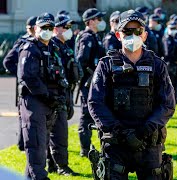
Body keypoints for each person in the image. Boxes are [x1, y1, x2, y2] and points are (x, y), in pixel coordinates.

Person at [87, 9, 175, 179]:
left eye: (137, 31)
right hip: (116, 143)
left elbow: (167, 104)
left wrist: (144, 131)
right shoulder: (106, 65)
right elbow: (95, 103)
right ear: (118, 35)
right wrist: (120, 132)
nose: (132, 35)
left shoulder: (157, 65)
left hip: (148, 142)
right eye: (127, 31)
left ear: (144, 35)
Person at [18, 12, 68, 180]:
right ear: (36, 29)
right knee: (36, 143)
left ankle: (31, 176)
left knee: (42, 143)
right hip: (35, 101)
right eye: (43, 28)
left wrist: (61, 96)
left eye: (49, 28)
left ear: (53, 29)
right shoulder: (30, 48)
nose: (46, 30)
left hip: (50, 102)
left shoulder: (53, 48)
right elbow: (28, 77)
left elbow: (59, 74)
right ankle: (40, 177)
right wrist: (47, 95)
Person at [46, 14, 81, 176]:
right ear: (55, 29)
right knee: (59, 132)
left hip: (66, 93)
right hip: (55, 95)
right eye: (65, 27)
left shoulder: (66, 46)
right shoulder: (51, 46)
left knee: (56, 130)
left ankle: (53, 164)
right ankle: (61, 166)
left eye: (69, 27)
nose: (69, 30)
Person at [75, 8, 106, 157]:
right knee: (86, 114)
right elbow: (81, 61)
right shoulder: (86, 37)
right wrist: (88, 76)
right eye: (99, 19)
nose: (101, 22)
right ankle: (85, 149)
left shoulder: (95, 36)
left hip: (96, 82)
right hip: (88, 82)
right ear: (91, 21)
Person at [2, 16, 37, 152]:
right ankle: (22, 144)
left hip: (33, 87)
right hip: (24, 88)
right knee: (24, 117)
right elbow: (8, 61)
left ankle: (26, 144)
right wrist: (21, 74)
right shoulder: (23, 42)